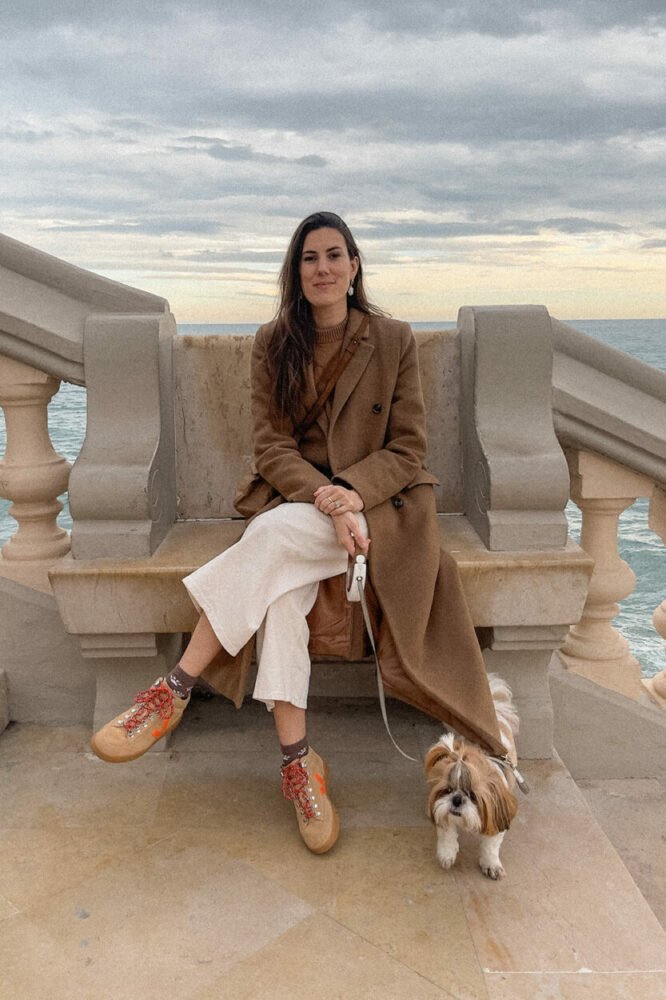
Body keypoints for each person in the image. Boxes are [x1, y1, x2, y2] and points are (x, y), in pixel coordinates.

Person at [91, 211, 505, 855]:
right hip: (303, 503)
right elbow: (271, 447)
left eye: (334, 255)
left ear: (354, 266)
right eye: (310, 258)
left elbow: (408, 449)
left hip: (383, 505)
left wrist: (351, 495)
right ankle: (300, 765)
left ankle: (174, 688)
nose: (323, 268)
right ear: (296, 271)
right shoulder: (273, 342)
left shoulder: (391, 338)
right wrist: (325, 500)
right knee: (280, 594)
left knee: (271, 543)